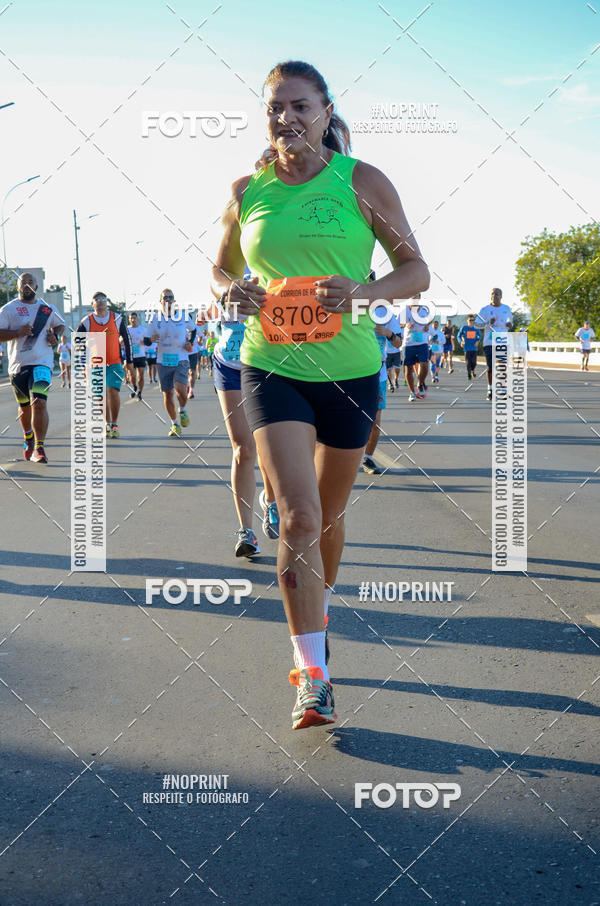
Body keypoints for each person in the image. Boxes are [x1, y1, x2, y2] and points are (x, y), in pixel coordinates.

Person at [211, 60, 429, 730]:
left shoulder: (362, 182)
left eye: (300, 107)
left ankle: (317, 613)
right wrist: (232, 294)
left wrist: (363, 291)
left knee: (328, 521)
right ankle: (312, 675)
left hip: (351, 371)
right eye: (275, 108)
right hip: (271, 366)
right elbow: (221, 268)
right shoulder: (248, 189)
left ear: (327, 112)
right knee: (300, 518)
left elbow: (415, 270)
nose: (287, 119)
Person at [204, 303, 280, 556]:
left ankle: (270, 502)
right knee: (243, 449)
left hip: (266, 363)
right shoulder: (224, 271)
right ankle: (246, 531)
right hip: (229, 366)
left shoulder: (272, 266)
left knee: (267, 445)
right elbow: (208, 310)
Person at [0, 272, 65, 462]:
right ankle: (28, 435)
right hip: (18, 366)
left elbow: (60, 326)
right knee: (25, 407)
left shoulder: (47, 309)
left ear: (36, 287)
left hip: (42, 363)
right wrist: (17, 333)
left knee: (40, 402)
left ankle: (40, 447)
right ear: (18, 287)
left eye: (31, 282)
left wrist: (55, 334)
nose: (27, 285)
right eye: (23, 282)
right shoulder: (8, 309)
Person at [76, 292, 132, 438]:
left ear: (106, 302)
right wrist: (83, 363)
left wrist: (129, 360)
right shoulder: (86, 322)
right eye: (97, 299)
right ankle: (107, 423)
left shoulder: (116, 318)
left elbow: (127, 339)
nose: (101, 301)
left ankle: (114, 424)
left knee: (113, 391)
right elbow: (78, 343)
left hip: (114, 362)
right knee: (100, 396)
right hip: (95, 365)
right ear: (92, 303)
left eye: (103, 299)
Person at [145, 289, 195, 436]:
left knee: (180, 388)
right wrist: (150, 340)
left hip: (181, 359)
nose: (168, 300)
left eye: (170, 297)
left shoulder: (183, 316)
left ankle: (183, 410)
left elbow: (193, 330)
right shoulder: (154, 319)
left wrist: (190, 342)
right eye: (165, 297)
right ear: (160, 301)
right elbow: (147, 340)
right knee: (167, 394)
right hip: (163, 360)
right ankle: (175, 424)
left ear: (174, 301)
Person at [363, 311, 402, 474]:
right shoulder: (355, 309)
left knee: (375, 421)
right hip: (351, 372)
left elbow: (398, 343)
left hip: (378, 373)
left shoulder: (387, 315)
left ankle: (368, 459)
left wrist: (387, 333)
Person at [475, 288, 513, 400]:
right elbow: (477, 325)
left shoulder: (506, 308)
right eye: (492, 293)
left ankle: (502, 389)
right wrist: (487, 323)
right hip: (489, 342)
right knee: (491, 367)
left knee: (502, 366)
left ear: (501, 296)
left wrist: (510, 324)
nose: (494, 296)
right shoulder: (485, 309)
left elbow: (510, 322)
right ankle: (490, 388)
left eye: (496, 294)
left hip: (502, 340)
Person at [401, 297, 431, 401]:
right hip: (408, 343)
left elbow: (429, 321)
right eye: (413, 297)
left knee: (424, 365)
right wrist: (406, 324)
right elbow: (399, 323)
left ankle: (419, 383)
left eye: (416, 297)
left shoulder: (424, 310)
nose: (415, 299)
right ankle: (412, 392)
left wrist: (427, 326)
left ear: (419, 298)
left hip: (422, 342)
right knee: (408, 369)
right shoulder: (405, 311)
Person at [127, 312, 147, 401]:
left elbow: (148, 341)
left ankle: (140, 392)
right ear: (129, 319)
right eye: (131, 318)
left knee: (141, 375)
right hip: (130, 355)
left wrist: (145, 342)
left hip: (141, 355)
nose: (133, 320)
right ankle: (134, 386)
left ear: (137, 319)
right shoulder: (127, 329)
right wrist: (122, 340)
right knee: (132, 375)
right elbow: (120, 340)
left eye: (134, 318)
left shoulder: (143, 329)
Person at [458, 315, 482, 380]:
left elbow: (480, 335)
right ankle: (469, 374)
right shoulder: (464, 328)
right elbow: (458, 336)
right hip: (466, 348)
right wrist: (461, 342)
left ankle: (473, 370)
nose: (471, 321)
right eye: (470, 320)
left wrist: (478, 341)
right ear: (467, 320)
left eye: (473, 320)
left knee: (474, 362)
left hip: (474, 348)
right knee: (468, 363)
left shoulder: (476, 328)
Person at [428, 318, 445, 384]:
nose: (435, 326)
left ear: (438, 326)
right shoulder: (429, 332)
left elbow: (444, 341)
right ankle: (433, 377)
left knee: (437, 365)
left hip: (439, 351)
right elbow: (427, 341)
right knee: (432, 364)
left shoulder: (440, 333)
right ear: (432, 325)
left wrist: (439, 342)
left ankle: (436, 375)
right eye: (434, 325)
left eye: (436, 325)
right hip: (432, 351)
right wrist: (431, 341)